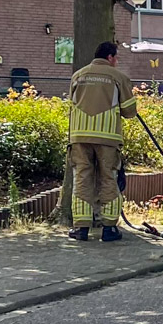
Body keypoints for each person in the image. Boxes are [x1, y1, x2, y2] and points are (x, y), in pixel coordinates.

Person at [66, 41, 138, 242]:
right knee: (109, 179)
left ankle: (81, 228)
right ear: (110, 57)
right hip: (107, 137)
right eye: (116, 57)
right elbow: (130, 111)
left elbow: (72, 103)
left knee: (82, 178)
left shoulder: (78, 75)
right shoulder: (118, 77)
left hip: (79, 136)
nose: (117, 61)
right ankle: (109, 228)